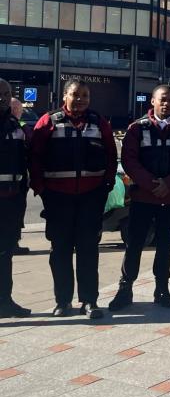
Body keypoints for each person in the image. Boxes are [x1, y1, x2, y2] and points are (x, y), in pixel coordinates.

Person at [30, 79, 117, 318]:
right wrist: (41, 189)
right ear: (65, 96)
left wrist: (106, 185)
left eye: (85, 96)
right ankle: (63, 302)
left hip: (91, 197)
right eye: (75, 95)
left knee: (89, 250)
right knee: (60, 251)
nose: (80, 100)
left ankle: (89, 301)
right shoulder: (49, 121)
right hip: (58, 199)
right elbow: (34, 156)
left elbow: (111, 155)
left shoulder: (99, 123)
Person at [109, 84, 170, 311]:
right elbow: (129, 160)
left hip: (169, 198)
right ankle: (125, 288)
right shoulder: (137, 129)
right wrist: (150, 184)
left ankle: (162, 289)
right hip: (142, 198)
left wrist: (169, 183)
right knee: (135, 245)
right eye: (163, 99)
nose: (167, 104)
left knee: (165, 245)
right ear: (153, 101)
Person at [0, 80, 32, 317]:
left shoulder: (15, 126)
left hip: (11, 199)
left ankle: (5, 301)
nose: (2, 97)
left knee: (6, 253)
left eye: (6, 93)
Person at [9, 98, 30, 256]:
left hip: (17, 177)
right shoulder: (20, 127)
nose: (20, 111)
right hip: (17, 179)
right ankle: (13, 242)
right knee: (15, 212)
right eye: (18, 109)